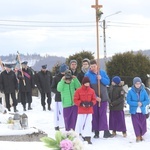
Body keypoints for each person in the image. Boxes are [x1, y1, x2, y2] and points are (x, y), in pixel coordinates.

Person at [85, 59, 113, 138]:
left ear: (97, 65)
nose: (93, 68)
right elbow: (87, 88)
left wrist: (101, 78)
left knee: (103, 114)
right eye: (91, 67)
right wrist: (95, 97)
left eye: (94, 66)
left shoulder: (102, 72)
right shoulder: (87, 75)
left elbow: (108, 82)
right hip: (94, 99)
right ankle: (96, 132)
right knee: (95, 115)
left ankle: (106, 132)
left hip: (103, 97)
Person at [74, 76, 96, 144]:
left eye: (88, 83)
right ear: (83, 83)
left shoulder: (92, 90)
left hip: (89, 110)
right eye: (86, 83)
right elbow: (75, 99)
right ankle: (78, 135)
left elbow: (94, 99)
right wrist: (81, 103)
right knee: (79, 123)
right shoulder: (78, 90)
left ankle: (88, 137)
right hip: (81, 110)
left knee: (88, 124)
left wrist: (91, 103)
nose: (87, 84)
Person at [127, 77, 149, 142]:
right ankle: (138, 136)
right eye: (136, 83)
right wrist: (136, 104)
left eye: (139, 83)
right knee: (136, 124)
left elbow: (147, 100)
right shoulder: (130, 91)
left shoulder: (143, 91)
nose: (138, 85)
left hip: (142, 111)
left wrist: (142, 103)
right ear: (134, 84)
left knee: (142, 124)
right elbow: (128, 101)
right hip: (134, 111)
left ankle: (141, 134)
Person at [51, 63, 68, 130]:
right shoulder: (56, 78)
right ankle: (57, 125)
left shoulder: (68, 77)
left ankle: (65, 124)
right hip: (59, 98)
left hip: (67, 98)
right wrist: (59, 92)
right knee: (58, 113)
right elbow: (52, 88)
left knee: (65, 112)